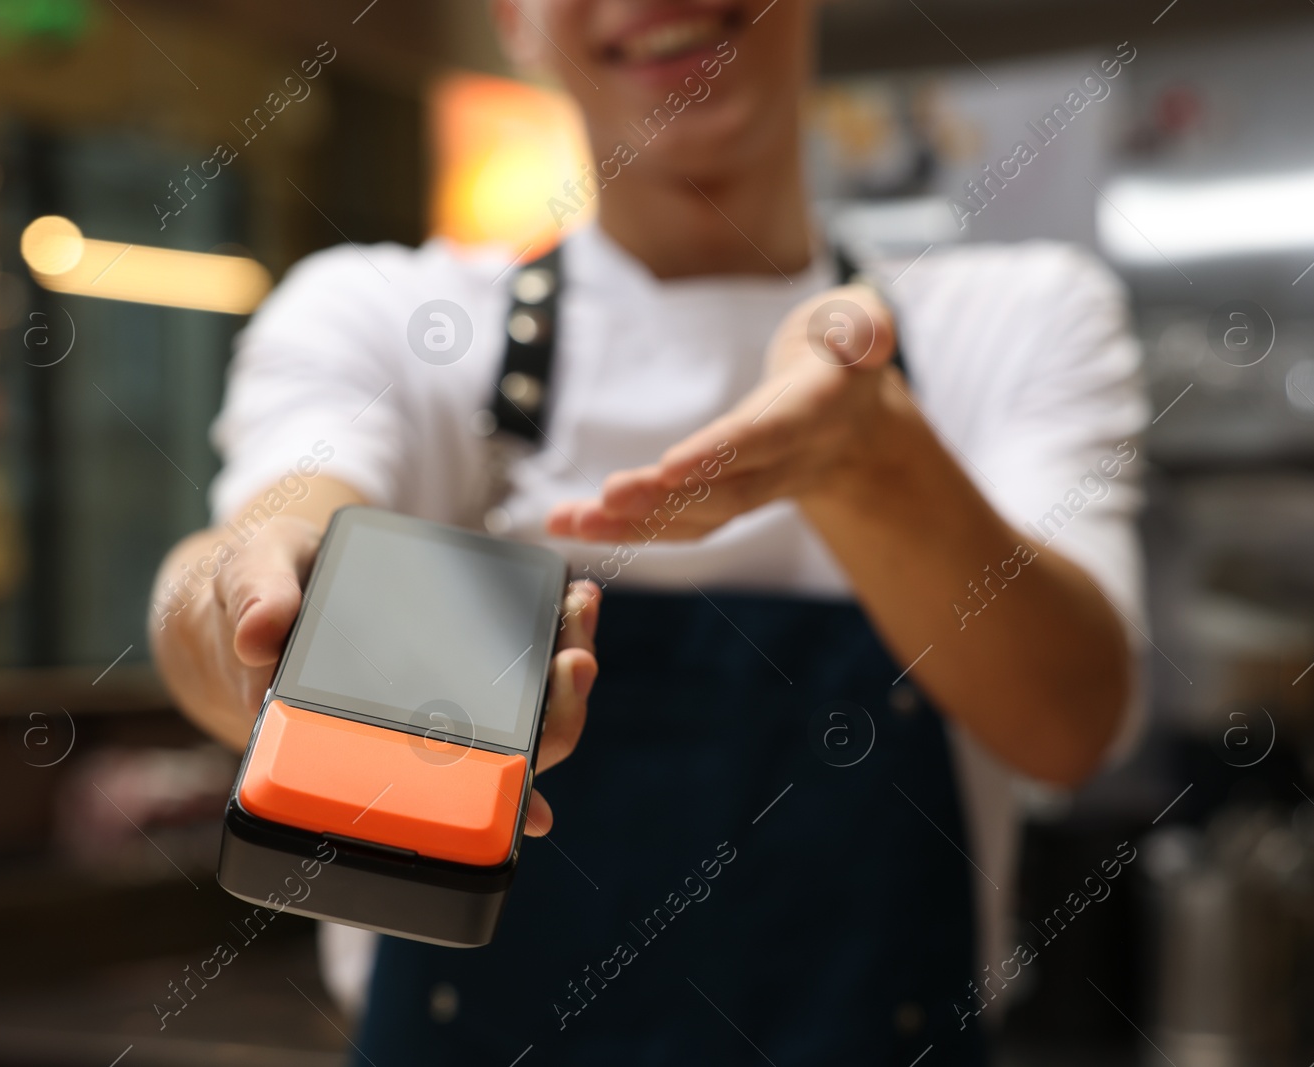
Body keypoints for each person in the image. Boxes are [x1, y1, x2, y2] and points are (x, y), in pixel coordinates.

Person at [149, 0, 1147, 1062]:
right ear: (516, 20)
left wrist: (874, 467)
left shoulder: (1013, 319)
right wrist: (244, 605)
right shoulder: (384, 316)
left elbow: (1074, 722)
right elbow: (254, 539)